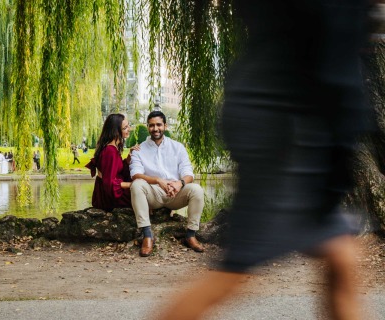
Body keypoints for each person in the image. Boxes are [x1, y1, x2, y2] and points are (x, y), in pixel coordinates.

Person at [158, 1, 370, 319]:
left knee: (341, 255)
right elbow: (333, 53)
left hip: (279, 107)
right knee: (236, 269)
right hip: (286, 119)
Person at [129, 111, 205, 257]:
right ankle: (147, 235)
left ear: (165, 126)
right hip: (153, 193)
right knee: (137, 185)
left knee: (196, 189)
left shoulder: (178, 147)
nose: (155, 128)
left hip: (176, 194)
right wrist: (158, 180)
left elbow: (189, 173)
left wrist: (179, 184)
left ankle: (190, 235)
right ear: (148, 127)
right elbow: (135, 174)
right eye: (152, 125)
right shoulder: (139, 149)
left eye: (159, 125)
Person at [85, 113, 137, 212]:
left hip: (109, 192)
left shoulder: (113, 147)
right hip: (108, 196)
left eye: (128, 125)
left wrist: (128, 160)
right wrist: (131, 185)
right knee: (144, 193)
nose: (129, 128)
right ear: (116, 131)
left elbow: (116, 169)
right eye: (125, 127)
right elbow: (109, 183)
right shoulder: (110, 151)